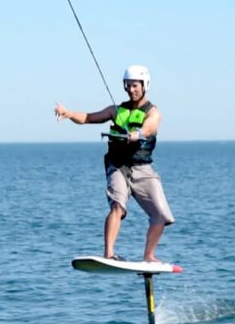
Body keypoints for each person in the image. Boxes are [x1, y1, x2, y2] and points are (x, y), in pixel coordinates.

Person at [54, 65, 175, 263]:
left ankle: (149, 256)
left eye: (135, 85)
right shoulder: (116, 110)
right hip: (118, 166)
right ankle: (109, 253)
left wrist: (138, 134)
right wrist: (68, 114)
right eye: (127, 85)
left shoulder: (153, 112)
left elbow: (150, 127)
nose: (131, 89)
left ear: (145, 86)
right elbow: (89, 118)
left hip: (143, 169)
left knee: (161, 216)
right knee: (118, 206)